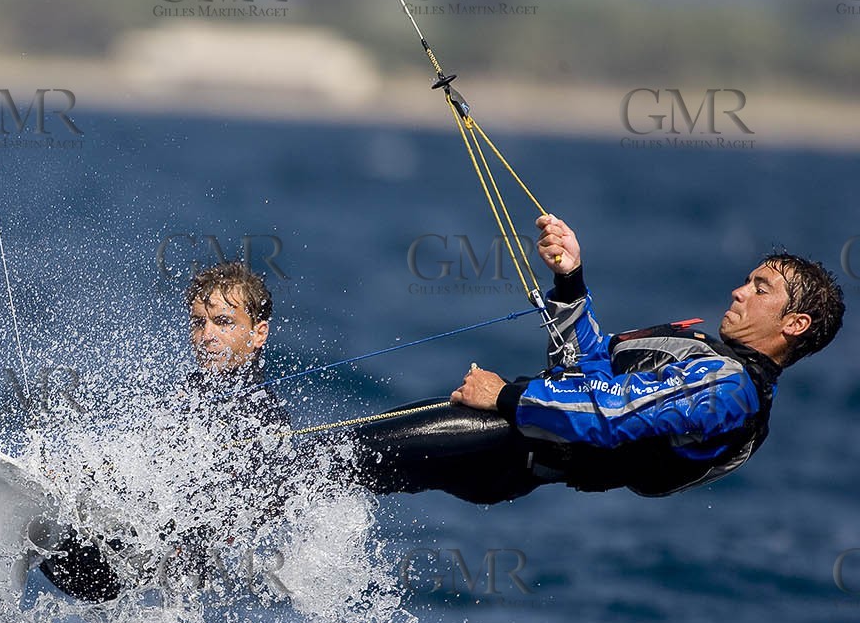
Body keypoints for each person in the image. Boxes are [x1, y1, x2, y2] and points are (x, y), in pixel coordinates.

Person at [348, 214, 846, 503]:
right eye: (747, 280)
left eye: (760, 289)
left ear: (794, 324)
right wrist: (570, 279)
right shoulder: (714, 368)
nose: (738, 292)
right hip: (505, 460)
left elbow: (610, 414)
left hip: (500, 443)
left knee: (322, 463)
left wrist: (504, 396)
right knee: (331, 478)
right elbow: (588, 372)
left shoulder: (729, 389)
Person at [37, 262, 298, 600]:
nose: (207, 336)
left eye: (223, 322)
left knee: (57, 541)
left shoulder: (262, 413)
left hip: (170, 558)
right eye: (198, 323)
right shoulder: (187, 395)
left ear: (258, 333)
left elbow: (250, 499)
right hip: (132, 535)